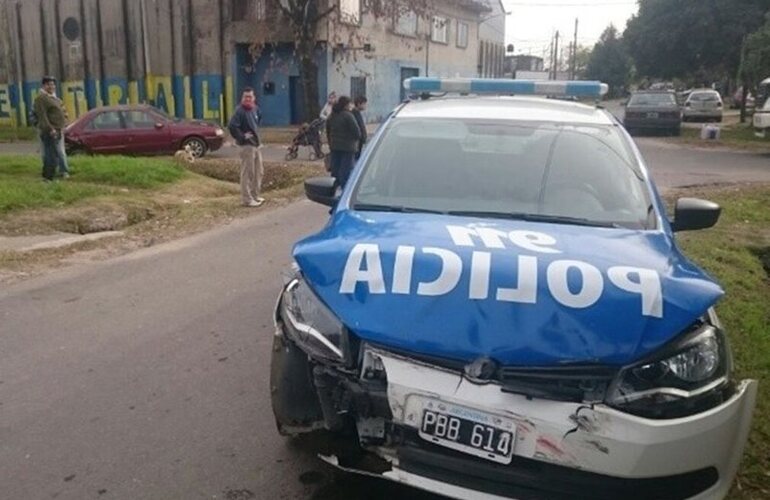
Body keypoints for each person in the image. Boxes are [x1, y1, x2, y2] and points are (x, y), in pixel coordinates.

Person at [228, 87, 265, 207]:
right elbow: (232, 126)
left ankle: (255, 195)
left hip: (256, 145)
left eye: (250, 97)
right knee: (248, 173)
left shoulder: (255, 109)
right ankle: (247, 200)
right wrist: (242, 137)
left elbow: (258, 120)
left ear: (254, 98)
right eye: (245, 97)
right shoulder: (239, 111)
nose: (248, 99)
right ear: (242, 98)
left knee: (259, 172)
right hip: (246, 146)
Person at [33, 76, 67, 182]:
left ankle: (50, 176)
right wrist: (50, 129)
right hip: (50, 131)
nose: (51, 86)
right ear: (44, 86)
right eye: (49, 84)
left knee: (55, 154)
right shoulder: (41, 98)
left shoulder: (53, 98)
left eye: (53, 84)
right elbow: (42, 116)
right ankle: (48, 177)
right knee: (50, 155)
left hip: (58, 130)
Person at [325, 95, 361, 189]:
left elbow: (328, 131)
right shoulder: (348, 116)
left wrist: (331, 143)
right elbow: (357, 132)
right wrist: (356, 142)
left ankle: (333, 189)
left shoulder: (332, 116)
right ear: (346, 104)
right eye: (350, 104)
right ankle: (345, 190)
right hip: (348, 148)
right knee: (346, 171)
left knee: (335, 170)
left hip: (335, 147)